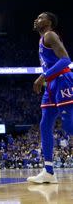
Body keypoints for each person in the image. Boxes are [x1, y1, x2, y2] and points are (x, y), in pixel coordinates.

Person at [28, 12, 73, 184]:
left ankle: (49, 171)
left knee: (69, 128)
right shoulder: (42, 39)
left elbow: (65, 60)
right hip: (51, 85)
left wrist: (43, 77)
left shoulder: (50, 35)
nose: (36, 19)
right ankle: (48, 171)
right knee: (45, 124)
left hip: (63, 81)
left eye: (40, 17)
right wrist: (46, 77)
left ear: (49, 22)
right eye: (36, 17)